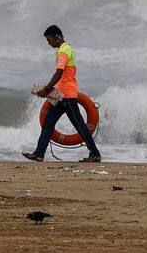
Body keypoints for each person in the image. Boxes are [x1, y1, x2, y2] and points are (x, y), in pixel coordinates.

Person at [22, 25, 102, 163]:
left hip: (68, 97)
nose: (49, 43)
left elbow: (59, 73)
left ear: (57, 37)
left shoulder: (64, 51)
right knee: (48, 124)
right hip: (61, 96)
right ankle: (39, 154)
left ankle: (95, 154)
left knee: (80, 126)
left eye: (49, 40)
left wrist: (46, 89)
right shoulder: (65, 50)